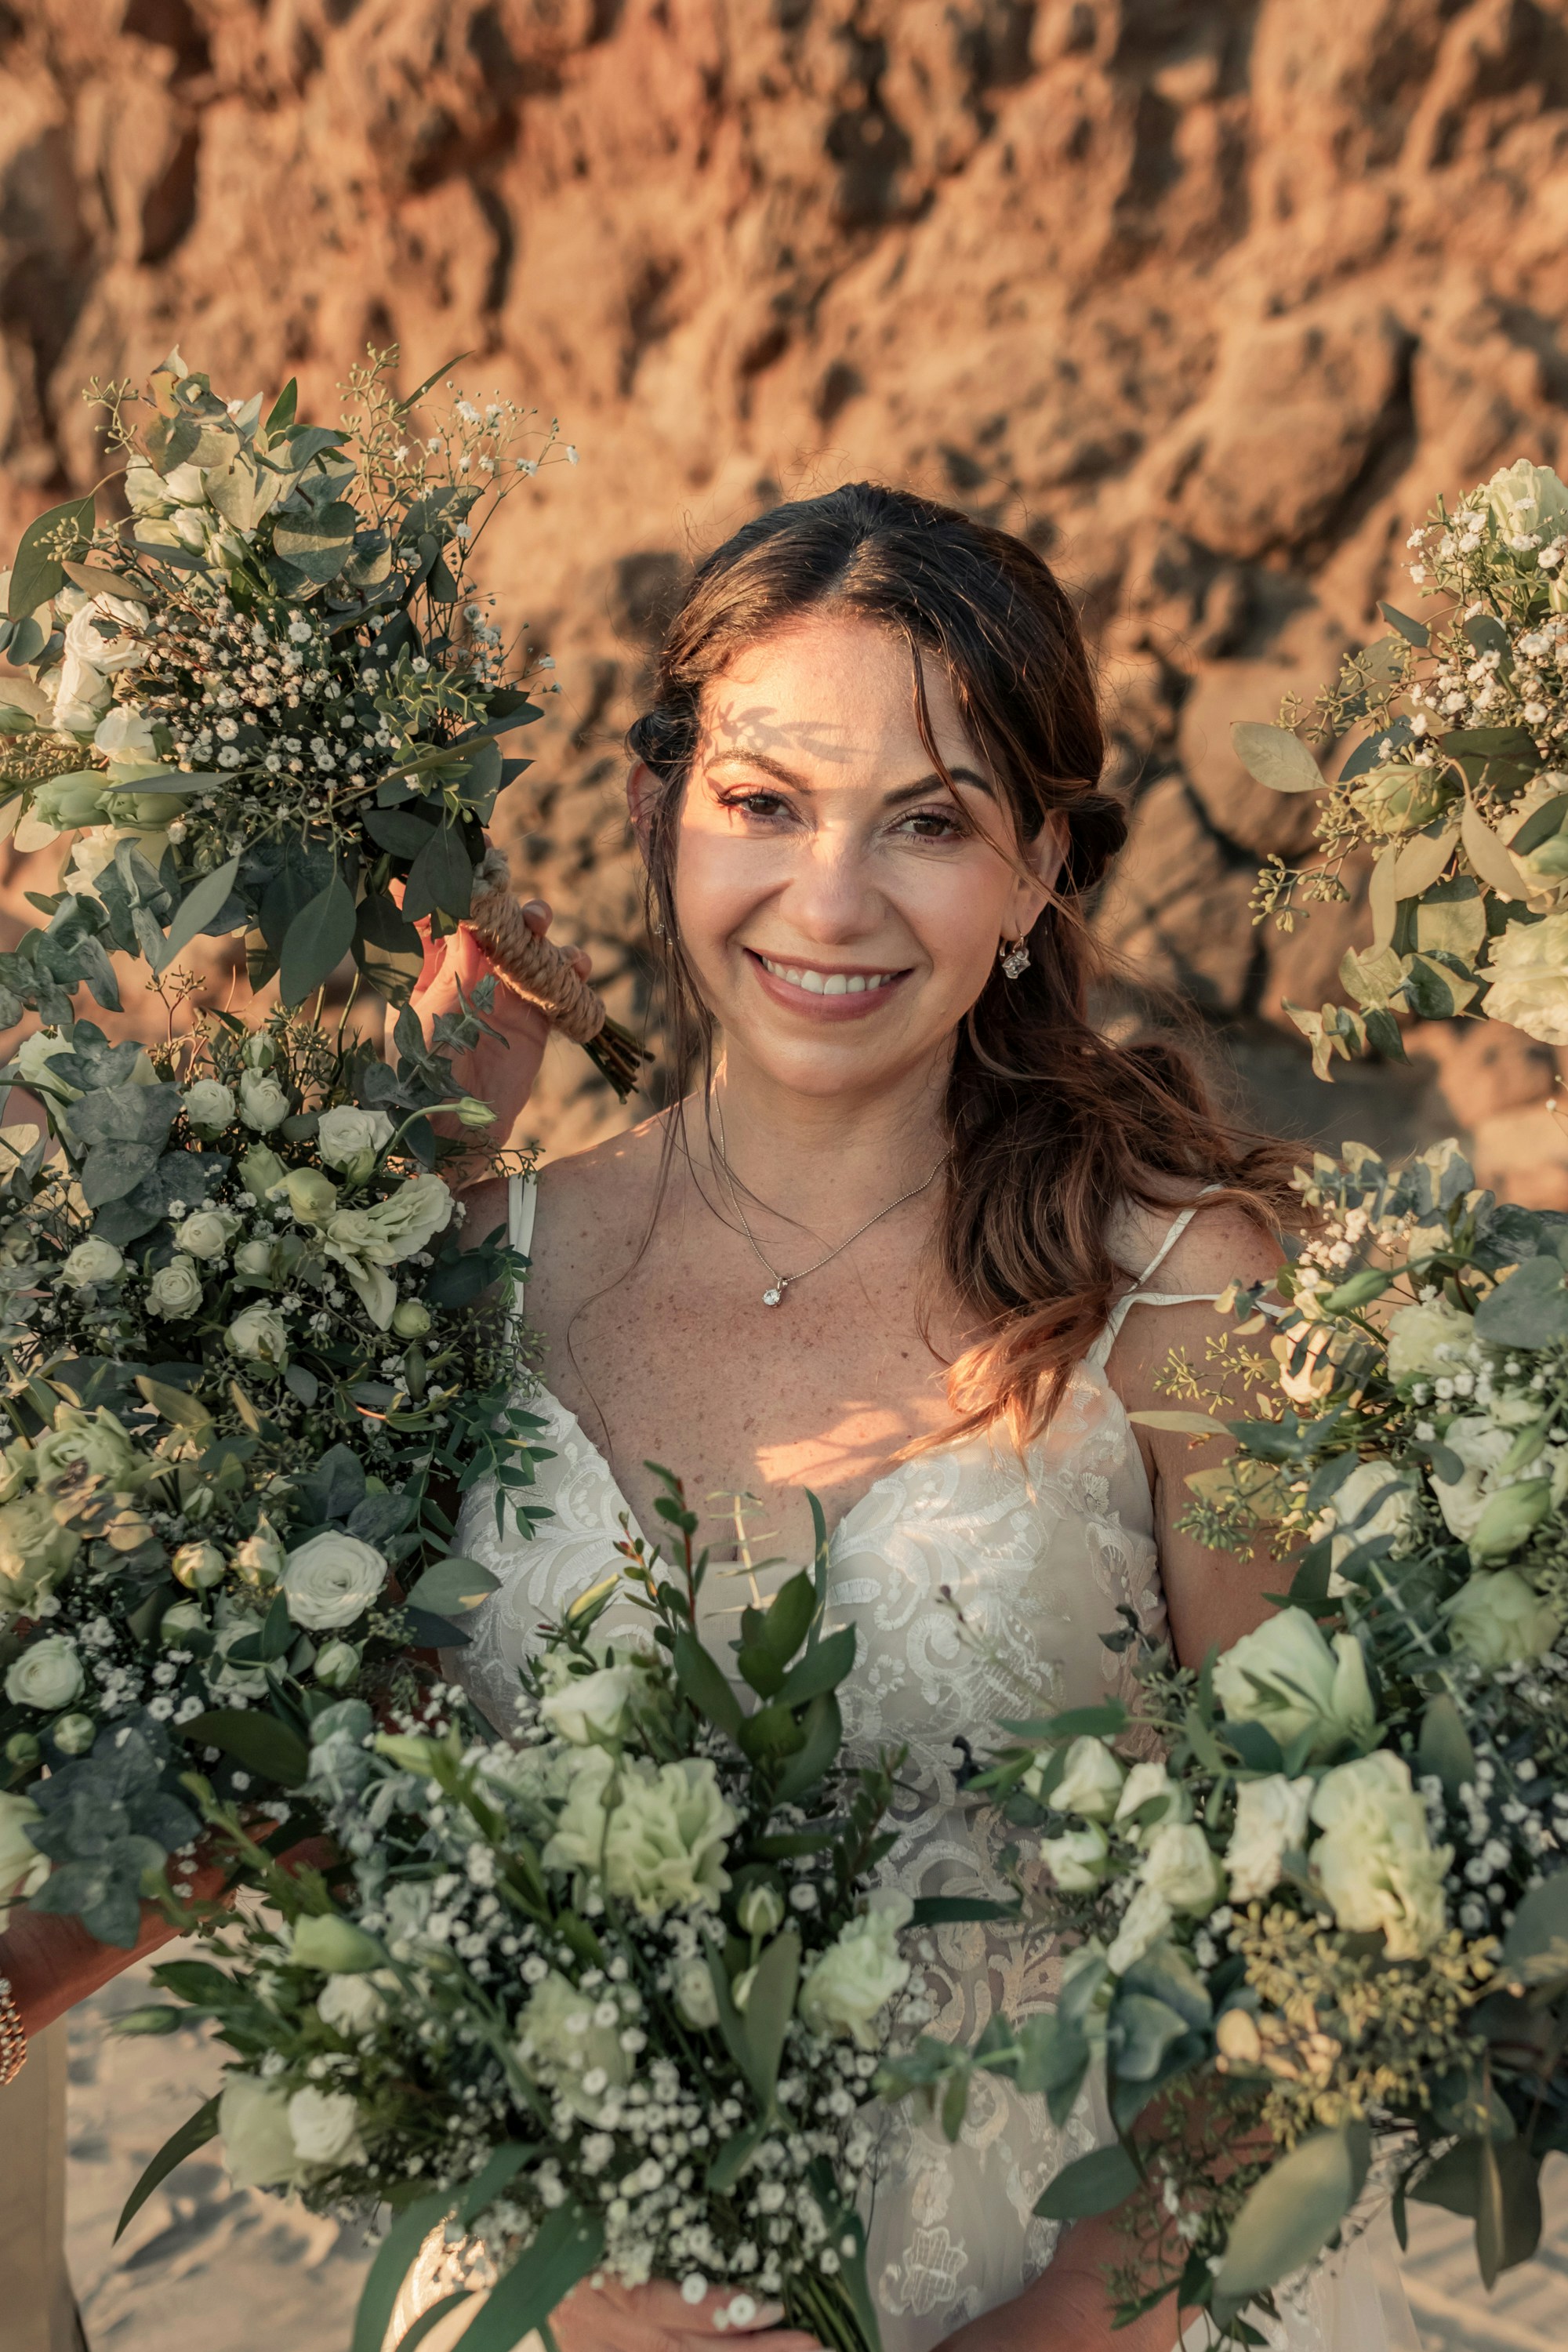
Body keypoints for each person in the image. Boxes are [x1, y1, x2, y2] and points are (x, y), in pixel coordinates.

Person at [407, 484, 1410, 2352]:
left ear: (1039, 868)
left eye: (929, 824)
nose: (832, 900)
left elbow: (1306, 1942)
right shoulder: (473, 1260)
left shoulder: (1187, 1293)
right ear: (656, 813)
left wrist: (1046, 2336)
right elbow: (338, 1851)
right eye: (763, 804)